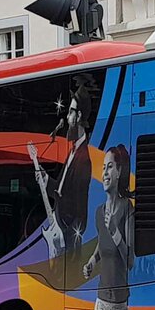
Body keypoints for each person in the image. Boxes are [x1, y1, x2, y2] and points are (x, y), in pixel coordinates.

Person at [83, 145, 135, 310]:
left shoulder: (127, 209)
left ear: (119, 171)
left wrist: (115, 231)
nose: (104, 173)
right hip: (101, 306)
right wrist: (91, 261)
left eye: (110, 167)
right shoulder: (99, 213)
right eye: (103, 168)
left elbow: (129, 260)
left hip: (120, 309)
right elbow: (101, 244)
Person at [33, 85, 93, 258]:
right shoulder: (73, 152)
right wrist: (44, 177)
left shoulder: (83, 159)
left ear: (79, 116)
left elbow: (80, 213)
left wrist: (66, 244)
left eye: (70, 113)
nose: (67, 118)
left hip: (67, 246)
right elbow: (60, 191)